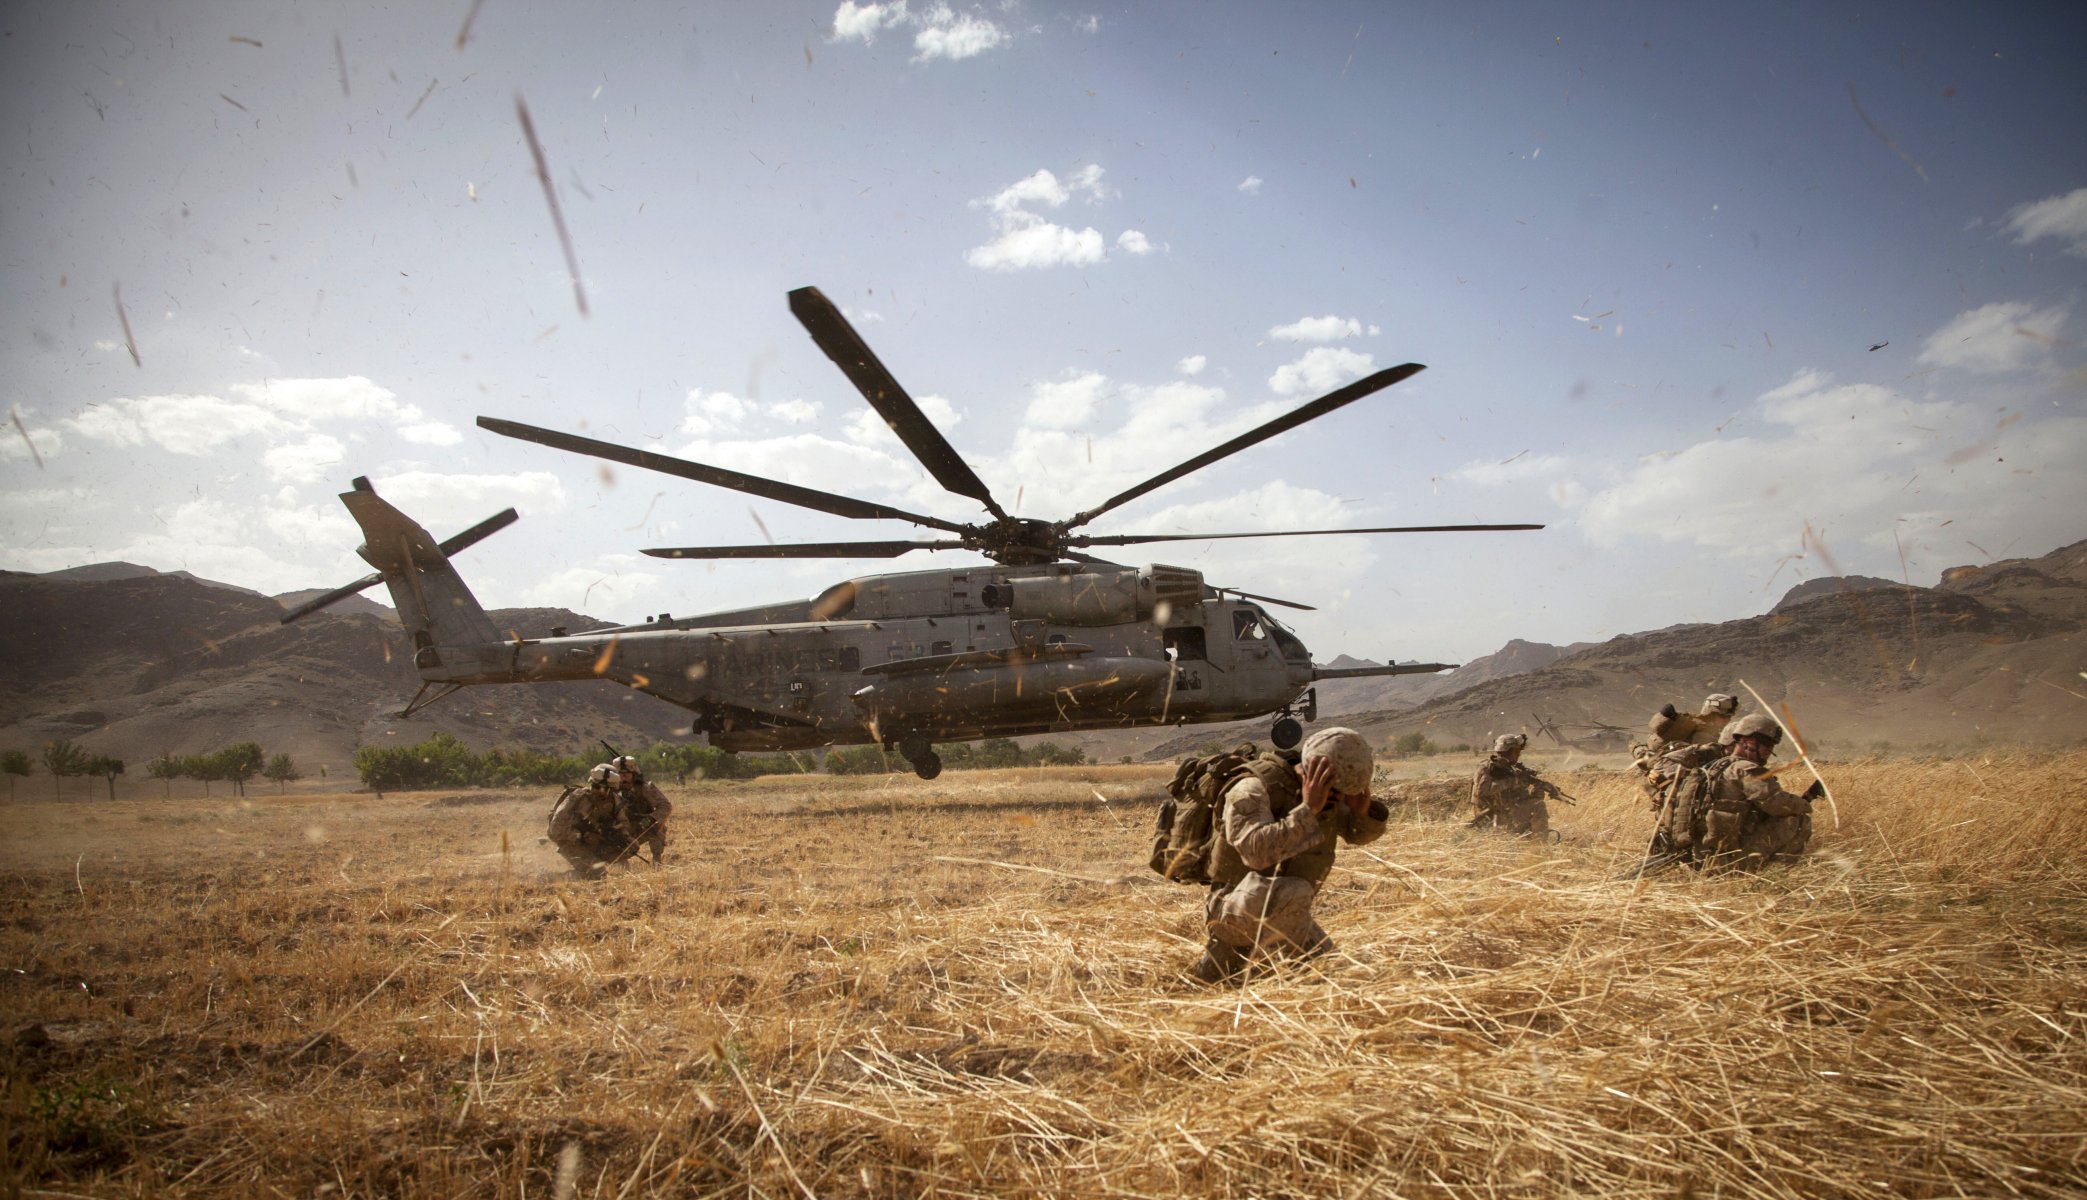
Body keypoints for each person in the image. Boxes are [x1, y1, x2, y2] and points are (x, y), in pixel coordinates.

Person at [1191, 727, 1389, 985]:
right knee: (1226, 978)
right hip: (1234, 910)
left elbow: (1357, 837)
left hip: (1285, 909)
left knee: (1338, 979)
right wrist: (1308, 810)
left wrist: (1362, 815)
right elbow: (1254, 852)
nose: (1336, 800)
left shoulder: (1326, 794)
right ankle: (1222, 960)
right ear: (1312, 773)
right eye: (1334, 793)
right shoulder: (1253, 787)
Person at [1693, 713, 1819, 870]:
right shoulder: (1746, 769)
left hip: (1703, 854)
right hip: (1726, 860)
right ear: (1747, 741)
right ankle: (1776, 873)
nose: (1769, 750)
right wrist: (1806, 802)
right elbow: (1778, 804)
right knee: (1799, 820)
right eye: (1766, 744)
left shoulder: (1716, 765)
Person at [547, 764, 634, 877]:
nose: (597, 791)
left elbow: (624, 824)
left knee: (630, 847)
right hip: (570, 843)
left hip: (595, 842)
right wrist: (582, 835)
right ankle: (552, 877)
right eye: (595, 786)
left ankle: (595, 860)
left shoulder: (614, 801)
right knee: (597, 872)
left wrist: (618, 834)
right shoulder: (577, 798)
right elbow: (556, 829)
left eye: (602, 788)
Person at [1469, 733, 1559, 836]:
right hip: (1491, 819)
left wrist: (1533, 796)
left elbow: (1514, 799)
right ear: (1507, 751)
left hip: (1506, 816)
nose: (1518, 754)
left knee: (1536, 803)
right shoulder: (1487, 769)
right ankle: (1541, 846)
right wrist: (1514, 781)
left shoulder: (1510, 769)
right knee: (1538, 806)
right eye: (1516, 751)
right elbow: (1481, 793)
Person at [609, 754, 673, 865]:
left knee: (657, 828)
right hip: (622, 830)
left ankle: (656, 861)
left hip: (642, 827)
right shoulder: (610, 791)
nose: (623, 778)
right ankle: (621, 863)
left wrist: (651, 818)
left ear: (633, 775)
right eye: (621, 775)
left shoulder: (645, 788)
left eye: (627, 775)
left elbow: (665, 805)